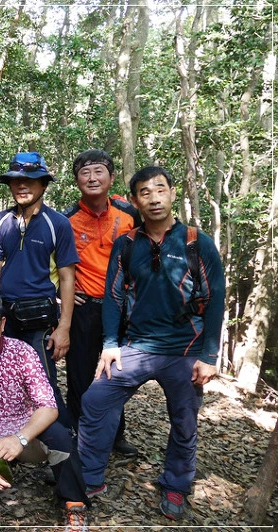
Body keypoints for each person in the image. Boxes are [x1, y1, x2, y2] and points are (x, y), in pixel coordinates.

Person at [78, 166, 224, 520]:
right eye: (145, 192)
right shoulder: (127, 244)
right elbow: (114, 296)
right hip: (137, 346)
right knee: (96, 399)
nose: (154, 198)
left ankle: (176, 484)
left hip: (185, 349)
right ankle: (89, 477)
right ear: (134, 200)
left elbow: (215, 298)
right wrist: (110, 344)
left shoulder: (197, 242)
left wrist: (210, 355)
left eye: (160, 190)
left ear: (173, 193)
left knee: (184, 420)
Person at [0, 287, 89, 531]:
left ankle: (75, 504)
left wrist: (19, 438)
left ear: (2, 324)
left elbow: (48, 406)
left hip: (26, 438)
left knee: (61, 436)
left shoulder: (22, 353)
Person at [0, 152, 78, 427]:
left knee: (44, 383)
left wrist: (64, 328)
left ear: (43, 184)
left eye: (29, 180)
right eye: (15, 181)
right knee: (5, 379)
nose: (21, 186)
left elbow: (67, 278)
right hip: (6, 317)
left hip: (40, 320)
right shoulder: (2, 221)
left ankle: (62, 443)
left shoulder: (57, 224)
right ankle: (14, 439)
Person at [62, 149, 140, 457]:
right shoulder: (66, 220)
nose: (92, 178)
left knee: (115, 374)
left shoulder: (129, 213)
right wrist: (60, 291)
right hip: (84, 308)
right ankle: (78, 437)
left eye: (99, 171)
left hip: (120, 309)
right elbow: (51, 263)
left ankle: (115, 435)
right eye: (85, 172)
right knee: (80, 375)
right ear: (76, 180)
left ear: (111, 177)